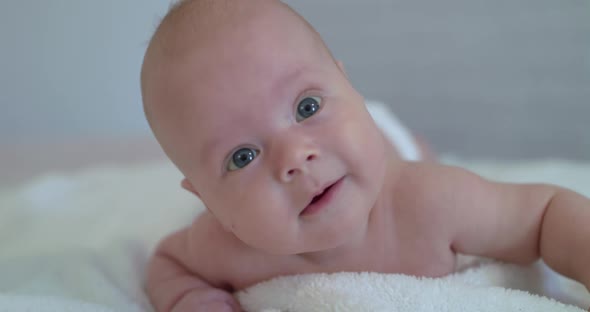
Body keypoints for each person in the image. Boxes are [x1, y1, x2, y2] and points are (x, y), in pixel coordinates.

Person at [140, 1, 590, 311]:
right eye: (242, 156)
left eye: (306, 106)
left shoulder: (433, 202)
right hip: (347, 143)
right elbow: (168, 262)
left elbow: (546, 212)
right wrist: (190, 300)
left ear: (346, 83)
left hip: (389, 142)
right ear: (205, 199)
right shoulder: (222, 248)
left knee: (414, 154)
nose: (294, 157)